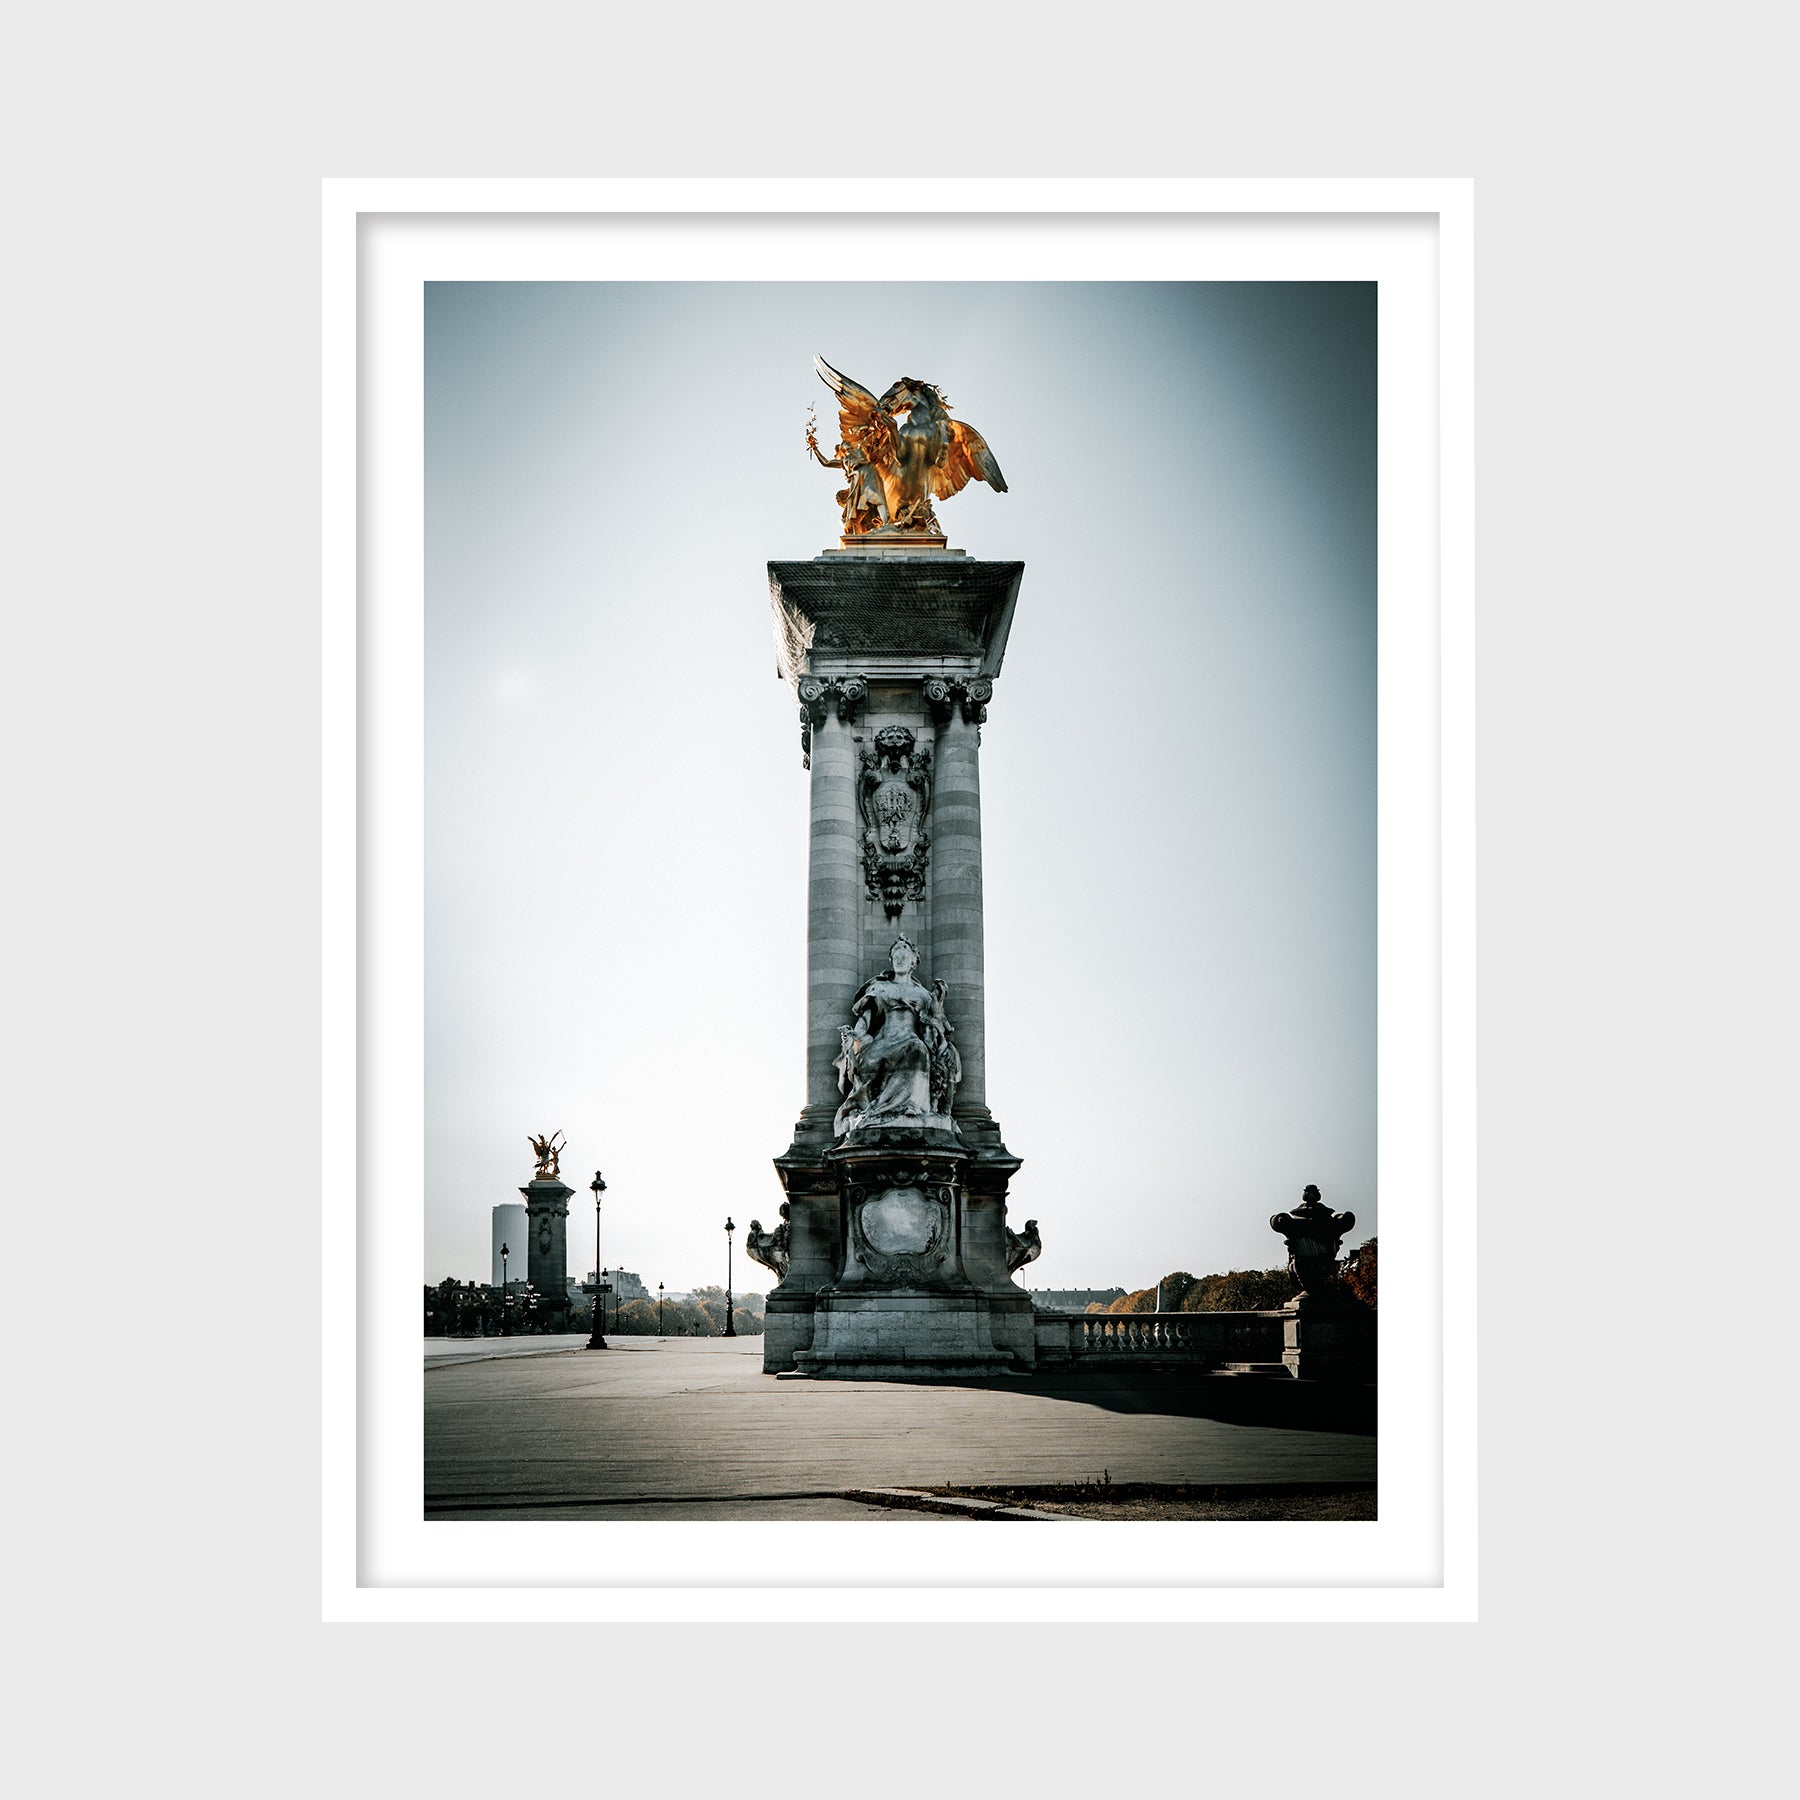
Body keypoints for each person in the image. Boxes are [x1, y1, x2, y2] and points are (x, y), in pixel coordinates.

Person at [833, 936, 961, 1136]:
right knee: (914, 1048)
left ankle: (912, 1106)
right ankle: (887, 1109)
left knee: (917, 1049)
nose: (900, 958)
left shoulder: (924, 996)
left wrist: (938, 1003)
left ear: (913, 962)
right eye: (896, 955)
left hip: (912, 1043)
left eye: (905, 954)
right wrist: (853, 1038)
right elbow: (865, 1022)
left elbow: (937, 1026)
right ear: (891, 960)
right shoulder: (879, 988)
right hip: (881, 1045)